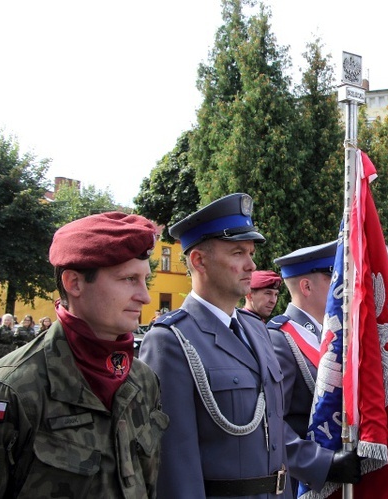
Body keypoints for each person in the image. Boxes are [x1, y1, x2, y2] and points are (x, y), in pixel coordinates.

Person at [140, 193, 358, 498]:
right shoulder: (171, 341)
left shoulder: (256, 330)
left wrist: (321, 464)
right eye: (238, 253)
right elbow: (176, 465)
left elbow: (270, 423)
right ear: (199, 260)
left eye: (251, 252)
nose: (251, 264)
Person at [0, 212, 169, 497]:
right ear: (74, 283)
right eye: (128, 279)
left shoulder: (142, 380)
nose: (145, 296)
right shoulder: (13, 390)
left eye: (144, 280)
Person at [268, 241, 359, 497]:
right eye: (335, 279)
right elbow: (273, 422)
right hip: (303, 482)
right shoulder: (279, 338)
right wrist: (322, 464)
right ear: (306, 287)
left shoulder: (329, 336)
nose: (345, 287)